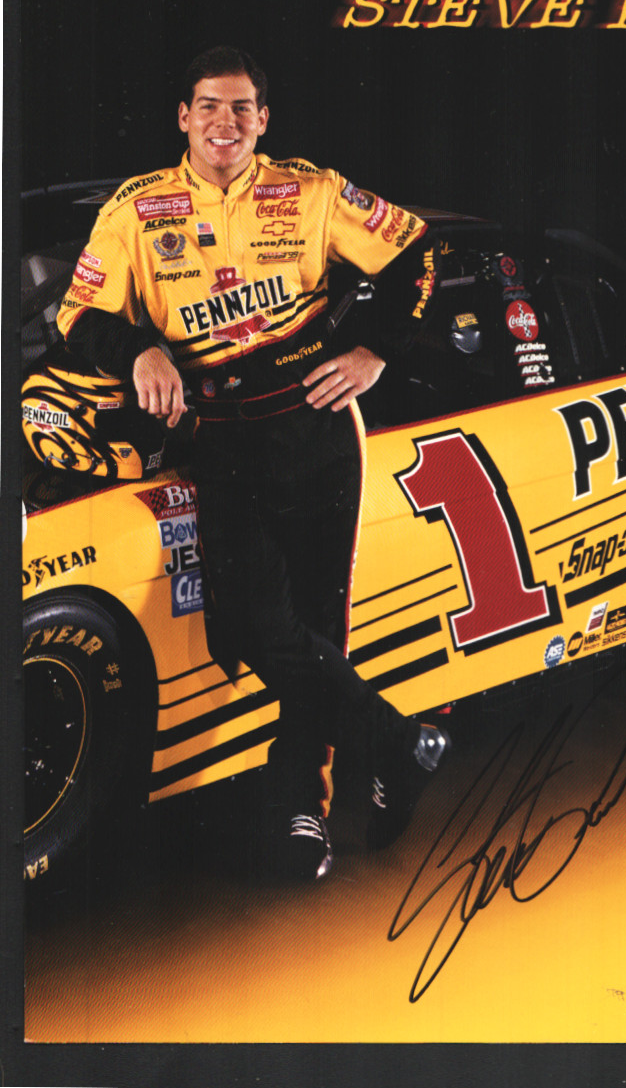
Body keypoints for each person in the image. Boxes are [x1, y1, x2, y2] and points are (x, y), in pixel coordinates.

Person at [56, 46, 449, 880]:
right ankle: (398, 743)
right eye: (208, 105)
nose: (224, 122)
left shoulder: (311, 190)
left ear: (263, 119)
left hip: (316, 430)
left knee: (315, 624)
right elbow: (78, 313)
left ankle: (301, 806)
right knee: (251, 626)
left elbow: (417, 249)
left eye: (241, 108)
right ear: (183, 116)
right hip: (221, 441)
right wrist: (139, 350)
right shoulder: (138, 208)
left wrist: (377, 350)